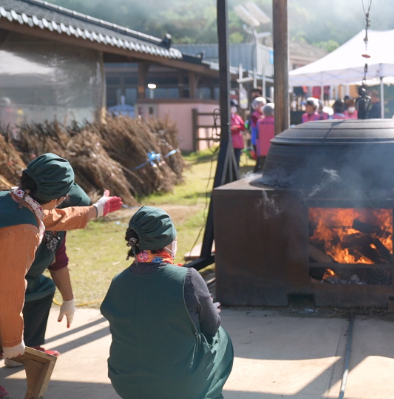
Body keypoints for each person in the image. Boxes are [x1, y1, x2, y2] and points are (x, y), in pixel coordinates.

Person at [0, 154, 122, 399]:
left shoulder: (13, 199)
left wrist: (94, 211)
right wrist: (13, 340)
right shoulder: (24, 230)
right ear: (57, 198)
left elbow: (51, 217)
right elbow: (8, 289)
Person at [101, 207, 233, 399]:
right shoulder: (187, 278)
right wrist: (209, 309)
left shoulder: (118, 281)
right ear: (169, 242)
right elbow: (211, 327)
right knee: (222, 338)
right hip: (178, 387)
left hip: (126, 384)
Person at [4, 183, 91, 368]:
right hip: (8, 279)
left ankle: (27, 348)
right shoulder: (24, 224)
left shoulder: (58, 232)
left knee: (45, 287)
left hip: (28, 280)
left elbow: (59, 263)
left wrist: (69, 300)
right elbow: (9, 282)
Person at [255, 103, 275, 173]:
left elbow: (257, 136)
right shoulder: (275, 121)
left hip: (262, 150)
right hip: (273, 150)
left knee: (263, 170)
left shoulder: (259, 122)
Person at [230, 99, 245, 172]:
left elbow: (243, 127)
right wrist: (236, 128)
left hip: (238, 141)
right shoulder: (228, 117)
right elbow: (230, 129)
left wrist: (237, 127)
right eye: (232, 106)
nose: (234, 108)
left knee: (237, 159)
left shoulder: (237, 117)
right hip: (231, 141)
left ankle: (236, 172)